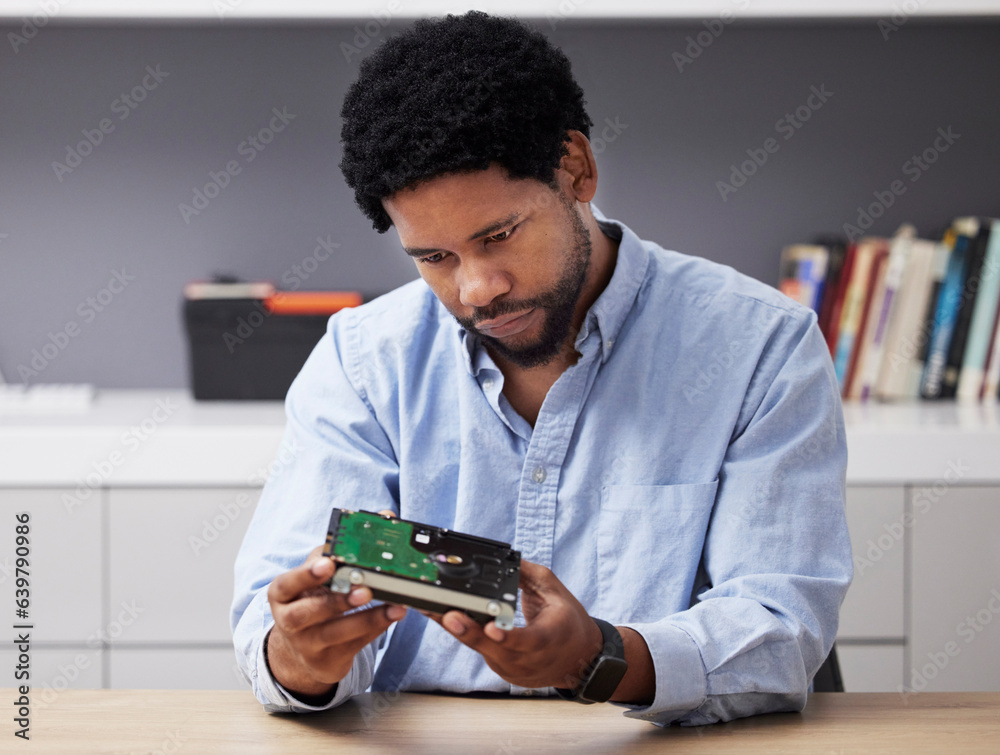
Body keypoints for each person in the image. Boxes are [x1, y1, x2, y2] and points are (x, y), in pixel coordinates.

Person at [231, 10, 852, 726]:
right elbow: (268, 628)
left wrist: (599, 656)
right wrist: (304, 656)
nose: (475, 289)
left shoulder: (759, 348)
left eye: (498, 235)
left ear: (577, 170)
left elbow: (781, 626)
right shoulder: (361, 359)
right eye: (433, 257)